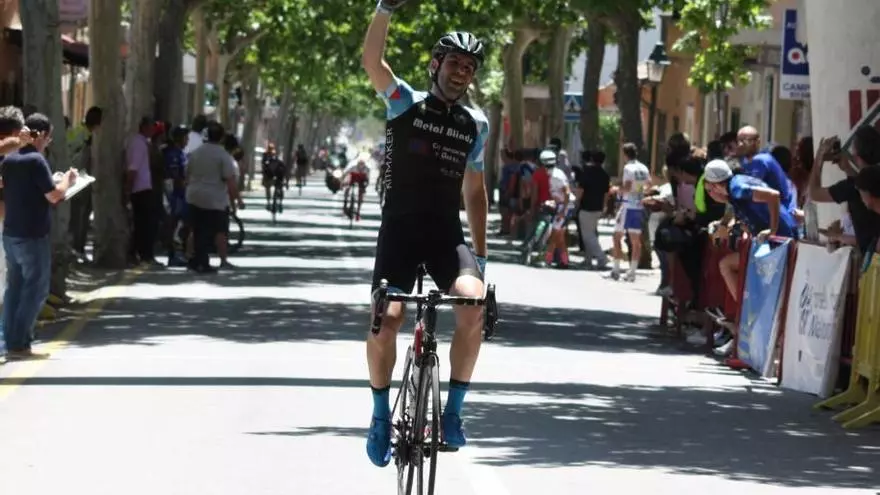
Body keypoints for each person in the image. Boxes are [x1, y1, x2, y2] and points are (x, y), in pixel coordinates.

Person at [361, 0, 489, 468]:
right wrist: (384, 9)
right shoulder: (404, 102)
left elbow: (475, 192)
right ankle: (380, 417)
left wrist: (481, 255)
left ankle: (452, 413)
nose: (461, 72)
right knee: (388, 319)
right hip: (399, 232)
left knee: (474, 306)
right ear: (436, 64)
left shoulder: (476, 125)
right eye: (454, 62)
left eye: (469, 67)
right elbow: (372, 62)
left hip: (444, 236)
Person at [1, 111, 77, 360]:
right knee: (36, 290)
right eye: (49, 138)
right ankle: (20, 344)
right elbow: (54, 196)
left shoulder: (9, 160)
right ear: (42, 135)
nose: (48, 143)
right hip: (32, 235)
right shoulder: (36, 160)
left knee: (14, 289)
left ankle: (11, 342)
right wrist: (68, 181)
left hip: (11, 234)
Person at [703, 159, 799, 302]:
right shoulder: (735, 188)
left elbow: (773, 195)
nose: (711, 195)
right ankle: (747, 307)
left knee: (727, 265)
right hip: (777, 242)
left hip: (782, 241)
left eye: (709, 191)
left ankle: (745, 308)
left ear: (714, 186)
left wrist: (772, 230)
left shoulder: (737, 188)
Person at [185, 121, 242, 273]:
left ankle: (192, 258)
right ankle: (212, 261)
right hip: (214, 200)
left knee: (196, 229)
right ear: (221, 138)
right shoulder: (223, 156)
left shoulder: (196, 152)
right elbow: (230, 180)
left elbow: (187, 174)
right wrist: (238, 200)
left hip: (194, 196)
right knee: (218, 231)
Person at [611, 142, 651, 282]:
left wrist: (616, 190)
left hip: (628, 205)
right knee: (636, 240)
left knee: (617, 236)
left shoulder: (628, 168)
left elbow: (627, 187)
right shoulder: (643, 168)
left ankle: (616, 268)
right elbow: (648, 185)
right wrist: (639, 191)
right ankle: (632, 271)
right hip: (638, 205)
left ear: (625, 154)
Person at [574, 150, 611, 269]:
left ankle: (602, 258)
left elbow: (581, 189)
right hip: (598, 207)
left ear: (592, 159)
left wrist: (576, 202)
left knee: (588, 236)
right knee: (591, 233)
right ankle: (588, 259)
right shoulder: (605, 175)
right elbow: (606, 193)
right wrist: (604, 206)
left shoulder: (587, 172)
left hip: (586, 207)